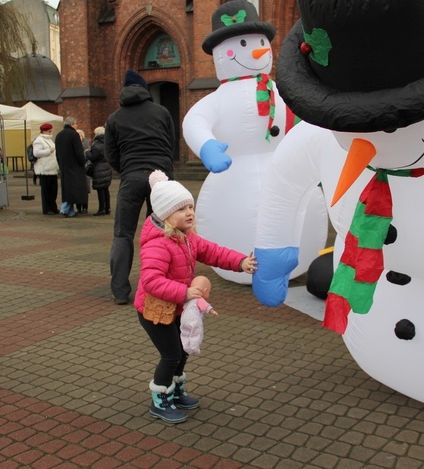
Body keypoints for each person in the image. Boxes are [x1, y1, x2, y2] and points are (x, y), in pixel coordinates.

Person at [136, 170, 258, 423]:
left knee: (183, 351)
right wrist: (183, 291)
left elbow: (214, 252)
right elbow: (151, 281)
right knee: (171, 354)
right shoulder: (157, 244)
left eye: (190, 206)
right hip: (155, 310)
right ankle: (160, 399)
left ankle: (176, 389)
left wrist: (240, 262)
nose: (190, 212)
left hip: (177, 307)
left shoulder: (187, 238)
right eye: (181, 209)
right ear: (166, 214)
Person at [106, 69, 176, 304]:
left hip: (131, 178)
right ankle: (160, 284)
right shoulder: (162, 112)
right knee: (161, 233)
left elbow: (111, 154)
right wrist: (165, 171)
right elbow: (171, 144)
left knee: (123, 234)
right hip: (161, 177)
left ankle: (120, 291)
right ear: (145, 90)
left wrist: (127, 170)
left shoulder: (115, 117)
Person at [54, 116, 87, 217]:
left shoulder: (59, 135)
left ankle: (70, 211)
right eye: (76, 123)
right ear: (72, 124)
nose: (77, 125)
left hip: (64, 166)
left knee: (67, 189)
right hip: (75, 166)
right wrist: (83, 161)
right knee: (75, 189)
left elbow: (57, 153)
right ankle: (65, 209)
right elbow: (78, 151)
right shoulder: (74, 135)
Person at [180, 275, 218, 355]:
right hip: (194, 320)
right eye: (209, 292)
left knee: (185, 332)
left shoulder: (188, 297)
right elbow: (206, 307)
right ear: (205, 290)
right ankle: (194, 346)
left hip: (184, 319)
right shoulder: (198, 299)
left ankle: (186, 346)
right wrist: (212, 311)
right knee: (196, 333)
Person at [32, 123, 60, 215]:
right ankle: (47, 208)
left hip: (52, 168)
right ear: (44, 131)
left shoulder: (49, 140)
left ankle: (53, 207)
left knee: (53, 190)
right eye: (49, 131)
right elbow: (36, 153)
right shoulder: (39, 141)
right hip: (44, 169)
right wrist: (49, 151)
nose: (50, 132)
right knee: (46, 191)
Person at [87, 126, 112, 216]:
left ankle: (101, 209)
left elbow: (93, 157)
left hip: (99, 168)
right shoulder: (107, 143)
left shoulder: (96, 144)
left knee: (100, 189)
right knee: (106, 189)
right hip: (107, 167)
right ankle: (107, 208)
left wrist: (87, 152)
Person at [76, 129, 91, 214]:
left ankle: (85, 207)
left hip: (85, 169)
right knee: (78, 189)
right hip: (78, 170)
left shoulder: (85, 145)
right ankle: (78, 207)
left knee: (85, 189)